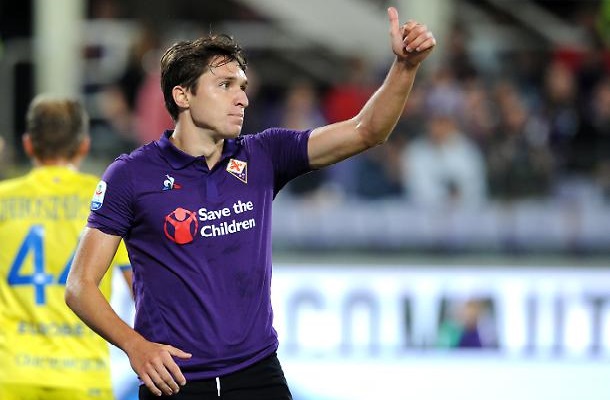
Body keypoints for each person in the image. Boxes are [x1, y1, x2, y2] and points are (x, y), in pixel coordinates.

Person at [65, 7, 435, 399]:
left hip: (258, 373)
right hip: (175, 380)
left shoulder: (264, 154)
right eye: (225, 85)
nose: (242, 98)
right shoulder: (131, 175)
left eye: (242, 86)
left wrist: (405, 67)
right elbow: (80, 286)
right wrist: (135, 346)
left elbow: (366, 131)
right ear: (182, 95)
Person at [0, 95, 132, 400]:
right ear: (84, 145)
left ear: (28, 144)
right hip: (83, 375)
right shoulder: (107, 200)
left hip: (10, 374)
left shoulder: (3, 200)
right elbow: (142, 291)